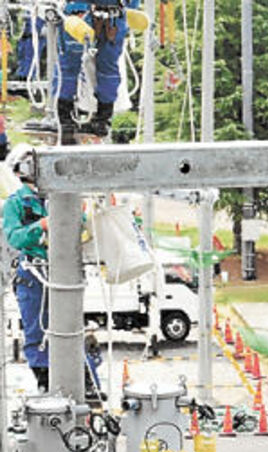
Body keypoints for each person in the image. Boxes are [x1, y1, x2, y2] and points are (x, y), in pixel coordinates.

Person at [51, 0, 141, 142]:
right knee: (108, 70)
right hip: (112, 17)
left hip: (79, 14)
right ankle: (102, 121)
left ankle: (66, 122)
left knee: (68, 68)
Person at [3, 145, 50, 391]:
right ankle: (43, 377)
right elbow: (15, 238)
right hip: (33, 272)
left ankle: (81, 376)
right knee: (37, 327)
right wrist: (41, 226)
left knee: (68, 327)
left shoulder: (60, 196)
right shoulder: (16, 204)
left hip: (62, 270)